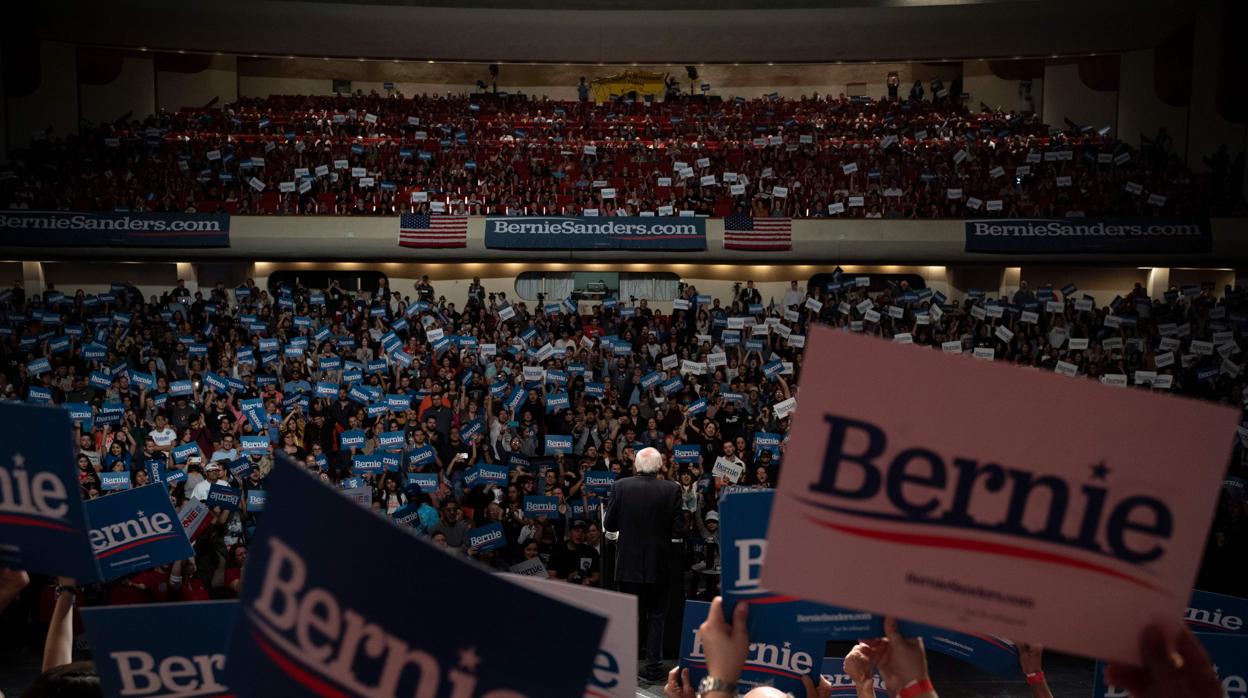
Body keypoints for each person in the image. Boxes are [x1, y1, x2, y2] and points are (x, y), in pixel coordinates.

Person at [604, 446, 683, 682]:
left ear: (636, 466)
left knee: (630, 616)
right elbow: (679, 529)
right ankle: (653, 667)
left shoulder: (620, 486)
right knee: (656, 616)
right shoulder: (672, 489)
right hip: (658, 565)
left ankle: (625, 667)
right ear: (659, 467)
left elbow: (609, 525)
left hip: (628, 565)